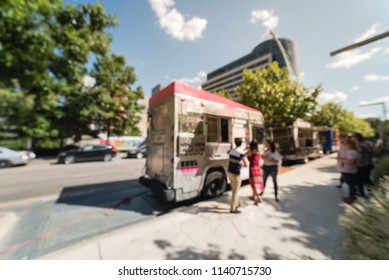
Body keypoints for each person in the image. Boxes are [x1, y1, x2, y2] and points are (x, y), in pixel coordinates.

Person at [227, 138, 248, 213]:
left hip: (229, 172)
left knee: (233, 190)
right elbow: (246, 164)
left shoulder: (232, 150)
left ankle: (236, 203)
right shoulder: (241, 152)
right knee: (235, 192)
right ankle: (233, 209)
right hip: (236, 173)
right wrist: (241, 163)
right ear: (241, 143)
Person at [337, 139, 359, 204]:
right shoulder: (349, 151)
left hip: (348, 171)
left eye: (345, 144)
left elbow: (350, 161)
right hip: (347, 170)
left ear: (350, 145)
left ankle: (352, 198)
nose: (344, 145)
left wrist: (340, 160)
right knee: (351, 185)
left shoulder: (352, 152)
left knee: (351, 184)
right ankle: (351, 196)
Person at [246, 140, 263, 205]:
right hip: (258, 169)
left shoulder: (250, 152)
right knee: (255, 184)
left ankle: (258, 198)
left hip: (252, 169)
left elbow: (245, 154)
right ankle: (254, 196)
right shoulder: (258, 152)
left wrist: (247, 148)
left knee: (253, 184)